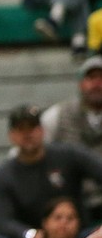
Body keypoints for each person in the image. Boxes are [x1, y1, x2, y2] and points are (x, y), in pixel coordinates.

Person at [0, 105, 102, 238]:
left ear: (42, 130)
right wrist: (29, 234)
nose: (27, 134)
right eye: (20, 129)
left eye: (32, 128)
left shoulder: (67, 155)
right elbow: (3, 220)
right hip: (37, 237)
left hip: (77, 230)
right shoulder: (4, 175)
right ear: (12, 136)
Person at [44, 56, 102, 219]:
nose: (97, 84)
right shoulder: (58, 115)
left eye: (101, 78)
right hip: (70, 203)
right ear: (80, 83)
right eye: (91, 78)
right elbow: (34, 155)